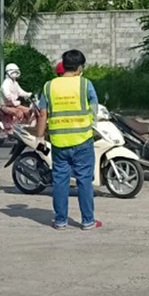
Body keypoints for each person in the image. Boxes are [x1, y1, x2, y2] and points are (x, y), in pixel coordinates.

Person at [35, 49, 102, 231]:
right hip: (82, 140)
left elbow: (42, 114)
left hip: (59, 142)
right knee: (84, 180)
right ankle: (87, 221)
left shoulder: (49, 86)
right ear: (80, 67)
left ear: (63, 66)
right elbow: (94, 109)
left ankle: (60, 221)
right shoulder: (85, 84)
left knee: (60, 181)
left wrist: (39, 137)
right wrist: (91, 124)